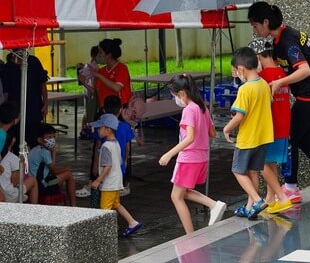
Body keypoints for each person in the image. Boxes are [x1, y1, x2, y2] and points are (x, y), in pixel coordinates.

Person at [248, 1, 310, 205]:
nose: (255, 30)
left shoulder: (288, 40)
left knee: (294, 136)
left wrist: (279, 82)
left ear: (266, 22)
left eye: (255, 25)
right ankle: (296, 185)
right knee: (299, 137)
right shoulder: (280, 40)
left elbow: (305, 70)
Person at [158, 74, 227, 233]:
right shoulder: (202, 107)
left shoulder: (189, 110)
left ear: (181, 93)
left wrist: (169, 154)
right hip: (202, 158)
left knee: (176, 197)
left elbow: (190, 138)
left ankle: (193, 231)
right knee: (183, 192)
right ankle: (212, 206)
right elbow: (212, 133)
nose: (175, 99)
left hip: (188, 158)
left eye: (174, 95)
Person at [222, 47, 275, 219]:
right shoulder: (264, 85)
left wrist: (226, 128)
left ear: (241, 69)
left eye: (236, 70)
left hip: (248, 138)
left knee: (238, 171)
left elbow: (239, 115)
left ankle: (257, 201)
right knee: (253, 171)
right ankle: (250, 207)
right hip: (264, 137)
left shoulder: (245, 89)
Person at [248, 37, 294, 213]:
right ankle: (271, 198)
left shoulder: (262, 78)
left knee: (262, 165)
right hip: (283, 126)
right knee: (272, 163)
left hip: (269, 128)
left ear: (258, 57)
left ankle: (282, 198)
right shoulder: (283, 74)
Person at [90, 114, 142, 237]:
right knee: (116, 204)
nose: (97, 130)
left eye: (99, 128)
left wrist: (98, 180)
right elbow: (118, 161)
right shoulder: (116, 143)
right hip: (116, 181)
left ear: (107, 129)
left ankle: (106, 233)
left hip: (109, 184)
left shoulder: (106, 146)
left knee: (105, 209)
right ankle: (132, 222)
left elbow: (107, 166)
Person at [0, 50, 48, 153]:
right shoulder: (7, 68)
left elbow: (42, 83)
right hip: (16, 111)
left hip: (34, 108)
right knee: (17, 143)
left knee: (36, 141)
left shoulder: (34, 62)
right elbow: (6, 94)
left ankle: (36, 166)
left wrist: (46, 103)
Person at [27, 123, 76, 206]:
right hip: (42, 186)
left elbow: (51, 168)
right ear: (40, 140)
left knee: (63, 174)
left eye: (53, 137)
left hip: (34, 184)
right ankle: (74, 206)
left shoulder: (35, 150)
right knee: (68, 174)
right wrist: (54, 153)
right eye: (49, 137)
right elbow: (54, 171)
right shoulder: (44, 152)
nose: (52, 139)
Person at [1, 126, 39, 204]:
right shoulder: (13, 157)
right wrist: (22, 168)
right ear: (13, 140)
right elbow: (14, 182)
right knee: (33, 180)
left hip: (3, 192)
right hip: (9, 195)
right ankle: (34, 208)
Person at [93, 39, 132, 112]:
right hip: (104, 110)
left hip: (119, 110)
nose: (98, 55)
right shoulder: (101, 71)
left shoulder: (122, 68)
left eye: (100, 52)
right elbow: (96, 91)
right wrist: (84, 81)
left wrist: (99, 76)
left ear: (109, 55)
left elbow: (117, 87)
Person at [78, 45, 99, 139]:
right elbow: (83, 80)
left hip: (87, 92)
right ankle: (86, 131)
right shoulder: (93, 67)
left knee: (87, 113)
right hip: (91, 93)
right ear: (96, 55)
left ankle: (84, 130)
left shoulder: (88, 65)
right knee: (90, 113)